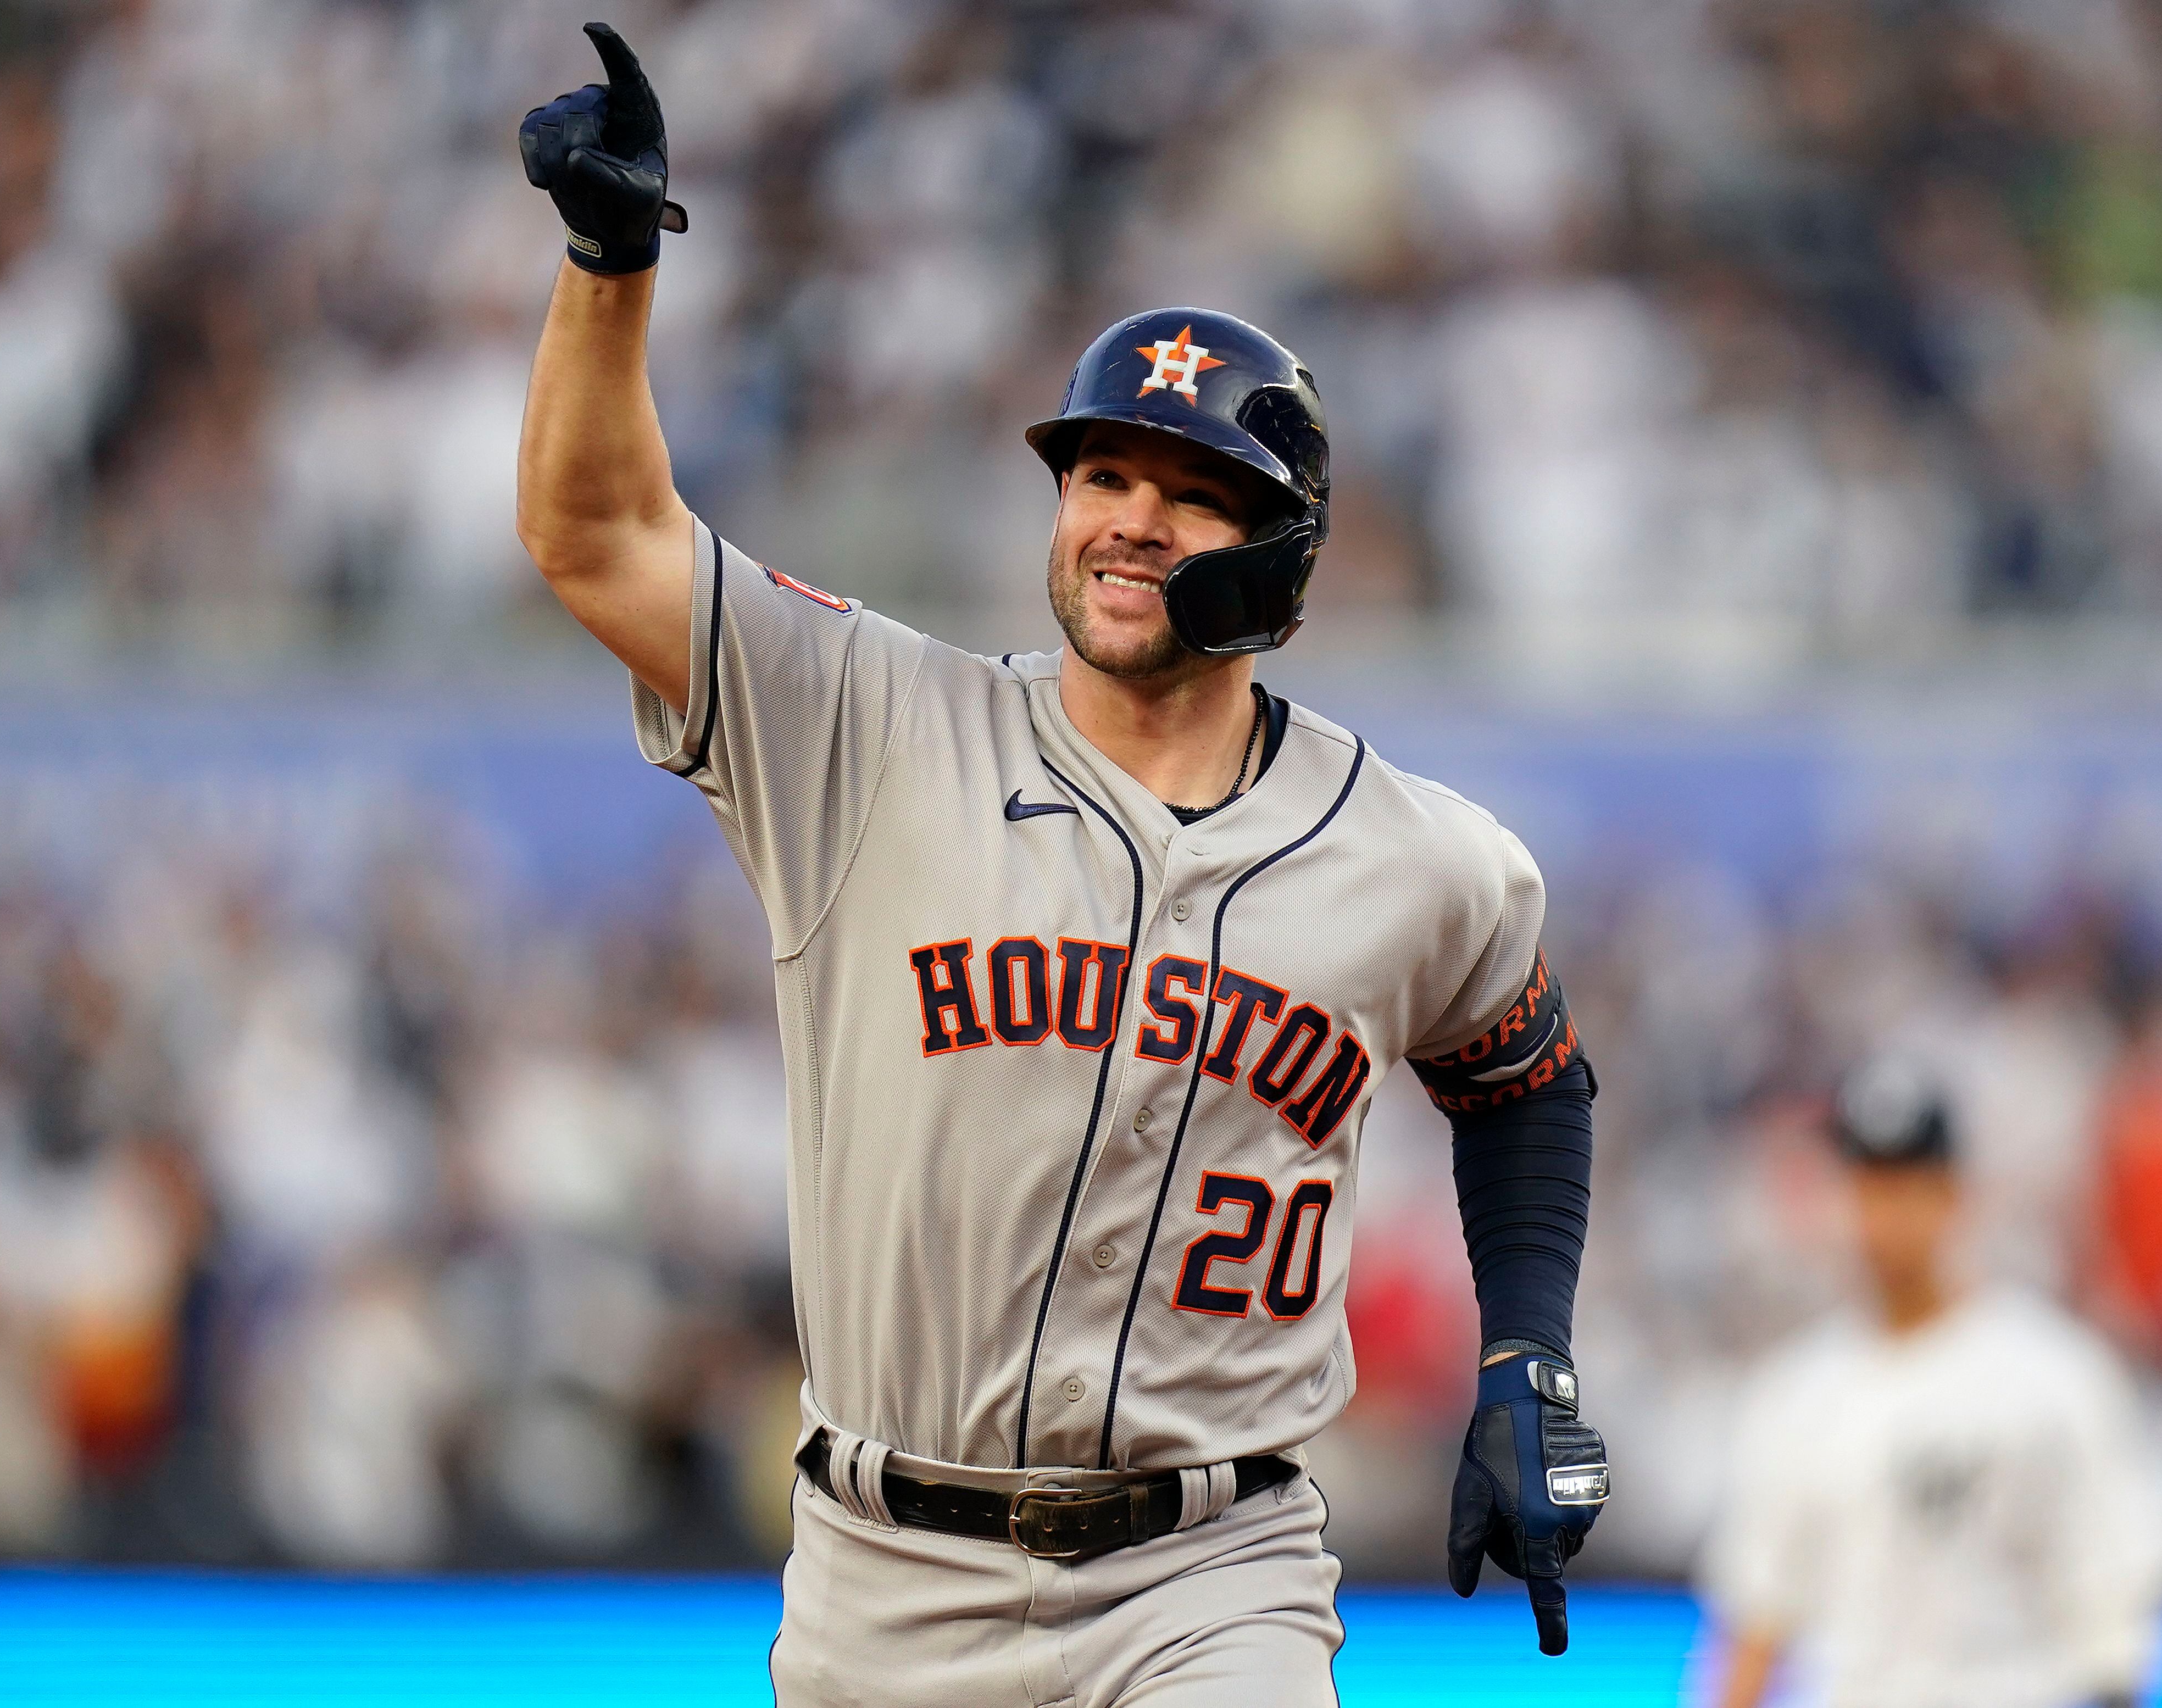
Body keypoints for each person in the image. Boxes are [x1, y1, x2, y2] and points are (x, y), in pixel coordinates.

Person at [514, 25, 1606, 1704]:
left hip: (1209, 1573)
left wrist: (1526, 1352)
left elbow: (1528, 1079)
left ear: (1286, 560)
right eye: (1103, 473)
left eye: (1194, 492)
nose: (1131, 520)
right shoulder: (868, 722)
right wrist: (604, 268)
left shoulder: (1422, 856)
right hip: (885, 1570)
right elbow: (597, 533)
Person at [1700, 1056, 2162, 1708]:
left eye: (1906, 1184)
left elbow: (2116, 1621)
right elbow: (1755, 1625)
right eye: (1866, 1184)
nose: (1882, 1214)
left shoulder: (2057, 1375)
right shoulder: (1795, 1393)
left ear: (1955, 1194)